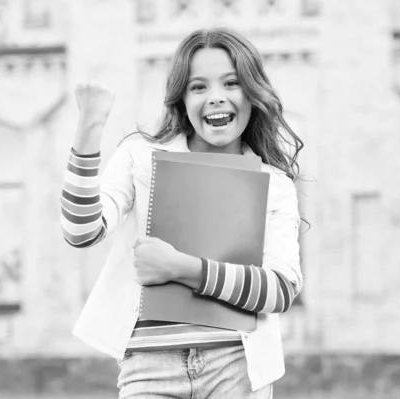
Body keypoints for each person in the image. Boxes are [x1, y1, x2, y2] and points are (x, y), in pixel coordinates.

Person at [61, 27, 304, 398]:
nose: (216, 98)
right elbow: (81, 231)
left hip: (235, 366)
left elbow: (281, 290)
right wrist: (88, 129)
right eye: (199, 87)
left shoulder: (274, 184)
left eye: (231, 83)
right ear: (182, 100)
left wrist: (182, 268)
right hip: (149, 367)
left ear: (252, 93)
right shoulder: (140, 159)